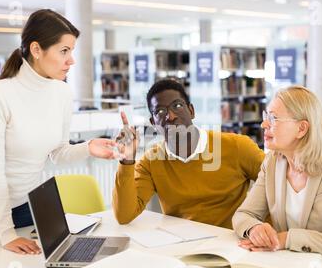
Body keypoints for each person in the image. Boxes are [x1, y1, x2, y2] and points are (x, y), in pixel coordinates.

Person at [0, 9, 119, 254]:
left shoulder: (62, 93)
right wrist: (6, 234)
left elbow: (57, 152)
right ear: (36, 49)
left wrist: (88, 148)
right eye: (64, 51)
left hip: (23, 204)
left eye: (71, 51)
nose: (71, 59)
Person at [232, 85, 322, 258]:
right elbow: (244, 214)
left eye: (274, 118)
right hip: (285, 264)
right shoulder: (272, 163)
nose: (263, 124)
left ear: (302, 129)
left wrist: (289, 239)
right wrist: (254, 228)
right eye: (266, 116)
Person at [113, 78, 265, 228]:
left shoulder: (237, 146)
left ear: (191, 111)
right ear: (153, 123)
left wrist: (263, 231)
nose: (170, 116)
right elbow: (124, 215)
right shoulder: (151, 161)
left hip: (235, 243)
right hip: (184, 246)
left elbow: (277, 183)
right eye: (160, 111)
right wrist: (127, 159)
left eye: (177, 106)